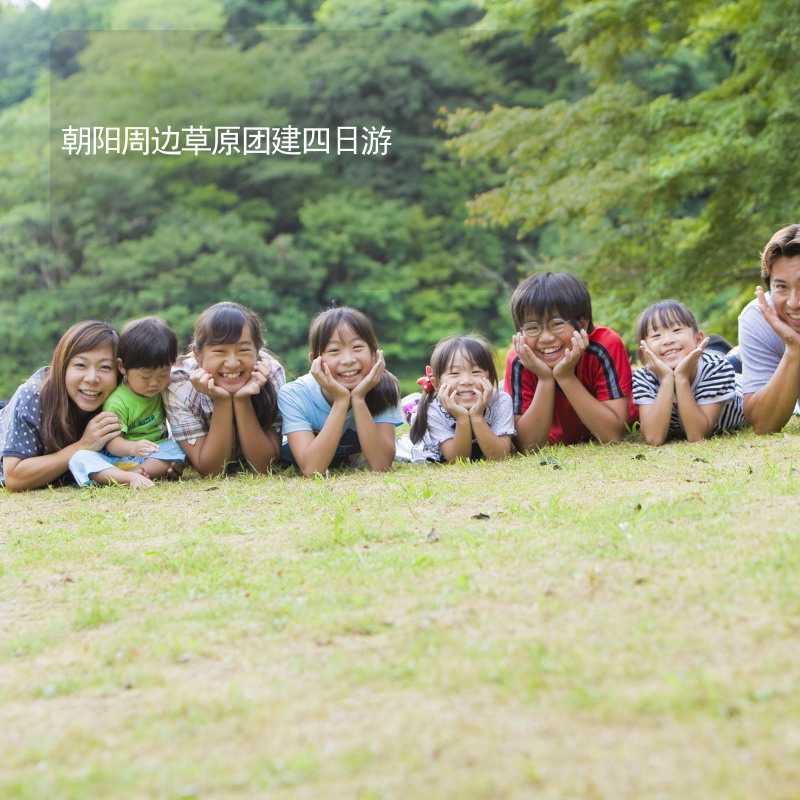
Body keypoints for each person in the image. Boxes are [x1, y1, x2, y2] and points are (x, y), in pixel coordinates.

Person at [505, 271, 634, 450]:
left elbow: (612, 435)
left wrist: (565, 377)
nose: (546, 338)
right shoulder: (521, 359)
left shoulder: (604, 345)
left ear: (582, 324)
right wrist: (545, 378)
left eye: (557, 324)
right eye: (532, 328)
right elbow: (528, 445)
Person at [279, 307, 402, 476]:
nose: (348, 360)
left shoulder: (385, 387)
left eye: (357, 347)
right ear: (315, 359)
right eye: (334, 351)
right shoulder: (293, 394)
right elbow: (312, 470)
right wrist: (341, 401)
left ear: (375, 354)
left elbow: (381, 465)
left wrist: (358, 399)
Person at [164, 302, 285, 475]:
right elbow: (212, 470)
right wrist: (222, 401)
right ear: (198, 355)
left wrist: (242, 400)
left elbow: (264, 466)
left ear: (257, 351)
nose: (232, 363)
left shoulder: (270, 372)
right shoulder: (179, 383)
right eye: (220, 351)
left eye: (243, 350)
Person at [0, 320, 121, 491]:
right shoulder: (33, 396)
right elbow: (13, 477)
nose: (92, 378)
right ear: (62, 367)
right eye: (80, 365)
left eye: (105, 367)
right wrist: (83, 445)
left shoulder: (122, 397)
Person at [68, 317, 187, 488]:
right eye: (145, 377)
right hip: (118, 458)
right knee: (80, 458)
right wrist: (133, 448)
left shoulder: (167, 389)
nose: (154, 383)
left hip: (152, 454)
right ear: (122, 367)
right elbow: (112, 443)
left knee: (178, 446)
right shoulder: (118, 401)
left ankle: (139, 472)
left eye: (162, 375)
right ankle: (127, 476)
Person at [634, 300, 746, 445]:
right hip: (704, 360)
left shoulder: (716, 368)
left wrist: (681, 378)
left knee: (738, 361)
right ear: (643, 352)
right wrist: (667, 379)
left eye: (676, 330)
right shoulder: (644, 378)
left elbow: (697, 435)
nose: (667, 340)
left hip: (738, 384)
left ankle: (738, 354)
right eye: (656, 336)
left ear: (698, 339)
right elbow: (653, 438)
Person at [398, 335, 514, 462]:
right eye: (454, 373)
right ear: (436, 383)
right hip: (426, 428)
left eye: (476, 372)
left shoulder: (500, 401)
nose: (466, 381)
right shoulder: (433, 410)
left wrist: (477, 416)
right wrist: (461, 418)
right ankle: (412, 405)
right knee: (415, 412)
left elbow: (500, 456)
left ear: (491, 378)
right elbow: (458, 459)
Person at [739, 223, 800, 434]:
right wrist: (793, 350)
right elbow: (763, 424)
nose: (794, 303)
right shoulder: (757, 317)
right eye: (781, 287)